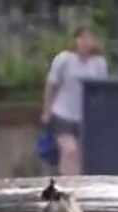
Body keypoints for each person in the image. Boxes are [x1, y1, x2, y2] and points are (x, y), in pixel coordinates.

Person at [41, 27, 107, 176]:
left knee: (80, 155)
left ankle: (76, 184)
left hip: (85, 115)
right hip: (62, 113)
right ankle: (68, 182)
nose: (85, 42)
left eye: (89, 38)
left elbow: (101, 88)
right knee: (69, 150)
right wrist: (47, 110)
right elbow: (52, 85)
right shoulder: (64, 59)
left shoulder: (99, 63)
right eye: (82, 38)